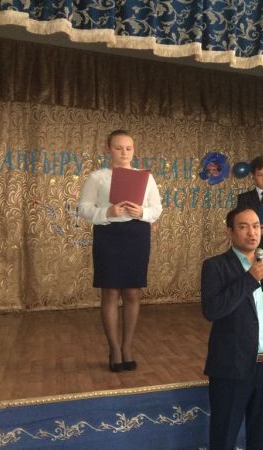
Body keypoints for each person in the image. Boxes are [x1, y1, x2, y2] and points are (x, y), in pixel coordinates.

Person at [201, 207, 263, 450]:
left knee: (262, 439)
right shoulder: (215, 266)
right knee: (223, 438)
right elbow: (212, 311)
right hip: (231, 369)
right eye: (243, 227)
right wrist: (249, 279)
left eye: (256, 226)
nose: (252, 233)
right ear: (229, 232)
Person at [78, 130, 162, 372]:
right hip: (109, 234)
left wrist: (142, 212)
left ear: (134, 150)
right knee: (111, 293)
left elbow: (157, 208)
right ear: (108, 150)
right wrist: (106, 212)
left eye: (128, 148)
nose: (124, 152)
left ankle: (127, 347)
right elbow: (83, 208)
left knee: (133, 293)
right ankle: (114, 349)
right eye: (118, 148)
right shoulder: (98, 177)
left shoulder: (146, 177)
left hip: (137, 234)